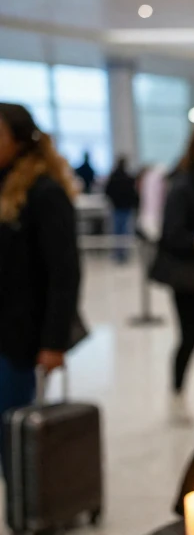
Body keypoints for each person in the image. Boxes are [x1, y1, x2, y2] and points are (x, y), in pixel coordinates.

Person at [0, 102, 81, 479]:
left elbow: (64, 272)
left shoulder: (45, 192)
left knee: (12, 431)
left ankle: (23, 499)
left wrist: (53, 342)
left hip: (18, 336)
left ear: (17, 140)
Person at [153, 129, 194, 425]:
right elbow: (173, 236)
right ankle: (177, 395)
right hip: (190, 282)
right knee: (189, 340)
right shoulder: (183, 188)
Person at [105, 155, 140, 263]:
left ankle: (118, 253)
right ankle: (124, 253)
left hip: (117, 207)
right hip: (125, 207)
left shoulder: (113, 177)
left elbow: (107, 191)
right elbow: (133, 193)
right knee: (125, 231)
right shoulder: (129, 178)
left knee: (117, 231)